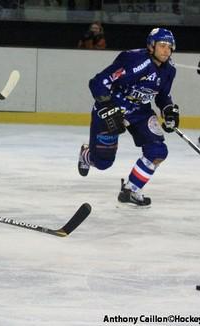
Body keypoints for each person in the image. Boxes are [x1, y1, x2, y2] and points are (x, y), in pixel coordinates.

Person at [77, 28, 180, 207]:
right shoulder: (132, 60)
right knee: (102, 163)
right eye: (162, 45)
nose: (166, 50)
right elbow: (99, 82)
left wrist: (168, 110)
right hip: (112, 107)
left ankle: (131, 190)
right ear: (151, 45)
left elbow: (162, 95)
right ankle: (86, 154)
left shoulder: (169, 70)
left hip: (140, 111)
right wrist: (109, 108)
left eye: (169, 47)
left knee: (158, 151)